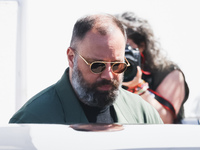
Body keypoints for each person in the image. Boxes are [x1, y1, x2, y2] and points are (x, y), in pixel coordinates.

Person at [9, 13, 163, 124]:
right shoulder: (32, 121)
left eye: (117, 65)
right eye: (97, 65)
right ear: (71, 58)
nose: (108, 75)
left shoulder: (143, 114)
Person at [116, 11, 189, 124]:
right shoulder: (108, 70)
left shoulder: (168, 73)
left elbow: (164, 120)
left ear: (142, 45)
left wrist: (138, 87)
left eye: (126, 47)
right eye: (116, 45)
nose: (121, 52)